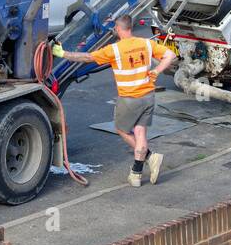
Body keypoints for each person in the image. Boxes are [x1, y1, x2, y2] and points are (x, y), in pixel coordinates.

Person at [54, 14, 177, 187]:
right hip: (148, 96)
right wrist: (157, 71)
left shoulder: (115, 50)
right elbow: (170, 55)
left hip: (129, 98)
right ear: (131, 28)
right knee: (140, 132)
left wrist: (62, 53)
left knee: (122, 130)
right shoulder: (147, 44)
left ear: (118, 29)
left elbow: (87, 58)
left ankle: (149, 158)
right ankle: (136, 174)